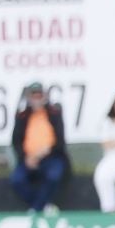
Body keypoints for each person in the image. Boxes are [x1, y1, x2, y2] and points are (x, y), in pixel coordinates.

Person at [9, 82, 69, 213]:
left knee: (54, 175)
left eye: (39, 96)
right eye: (33, 96)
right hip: (28, 159)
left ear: (45, 96)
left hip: (51, 157)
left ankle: (36, 208)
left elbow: (60, 141)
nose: (37, 99)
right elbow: (16, 141)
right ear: (29, 98)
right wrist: (27, 158)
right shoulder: (22, 116)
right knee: (16, 180)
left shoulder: (54, 114)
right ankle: (43, 205)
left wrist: (46, 152)